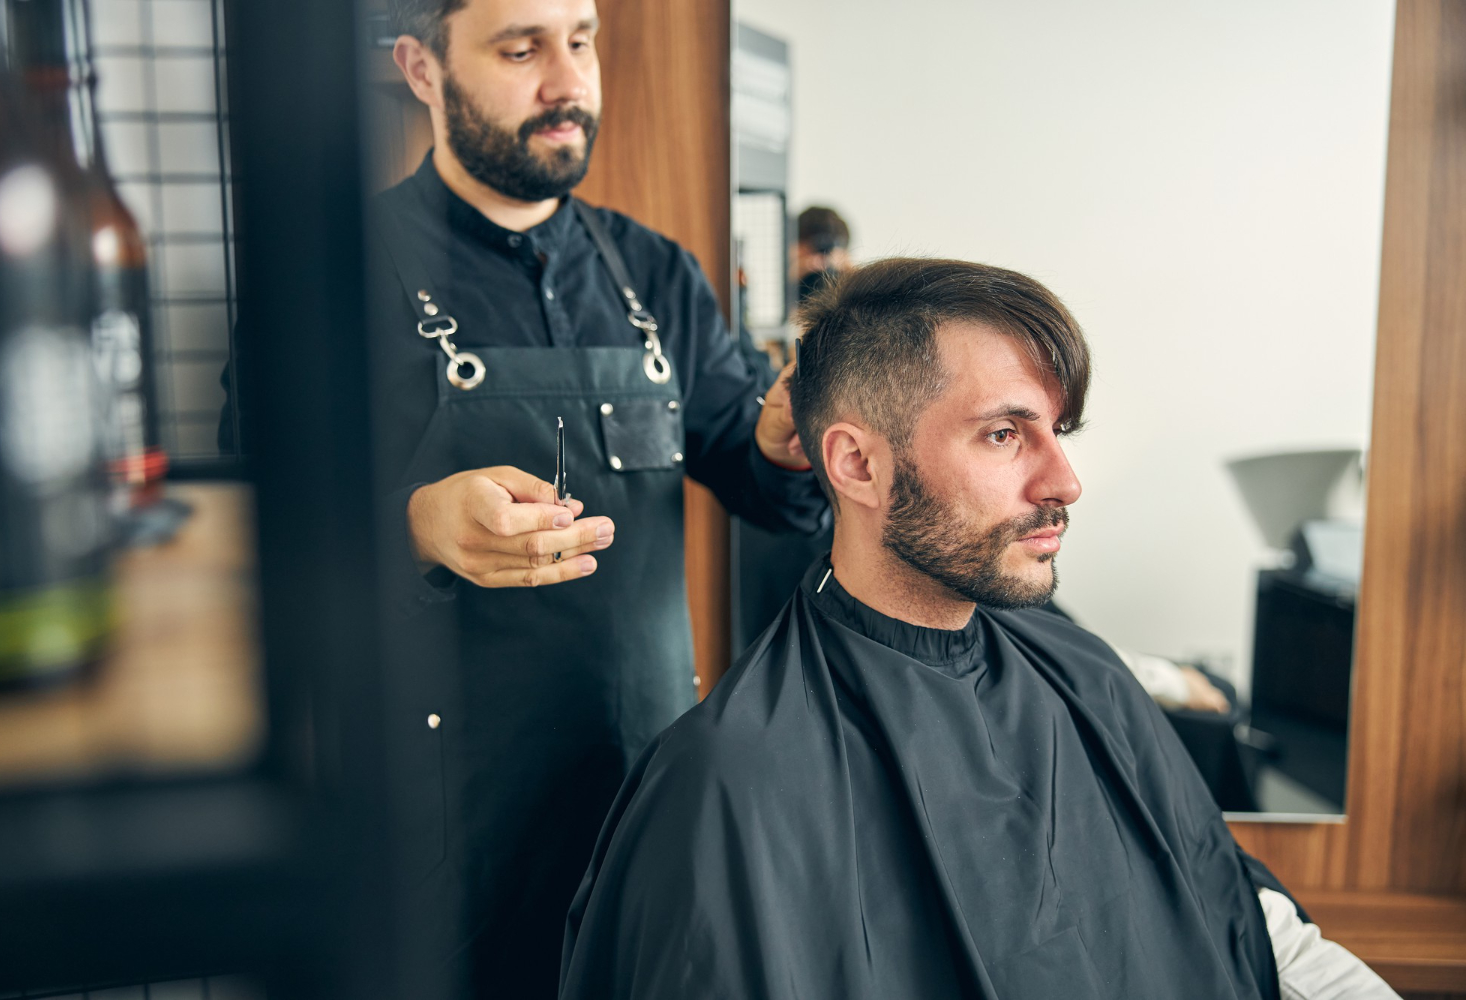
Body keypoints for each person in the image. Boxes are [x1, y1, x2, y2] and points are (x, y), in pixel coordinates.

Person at [559, 258, 1398, 999]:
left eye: (1057, 433)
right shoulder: (730, 782)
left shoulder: (1083, 673)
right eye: (1004, 434)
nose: (1064, 481)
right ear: (857, 464)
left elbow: (1246, 925)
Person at [221, 0, 824, 994]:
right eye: (520, 48)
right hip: (441, 834)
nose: (568, 82)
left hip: (643, 796)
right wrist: (414, 521)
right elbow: (252, 523)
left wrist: (781, 442)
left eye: (580, 41)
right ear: (421, 69)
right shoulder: (334, 275)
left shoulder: (655, 273)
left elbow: (752, 473)